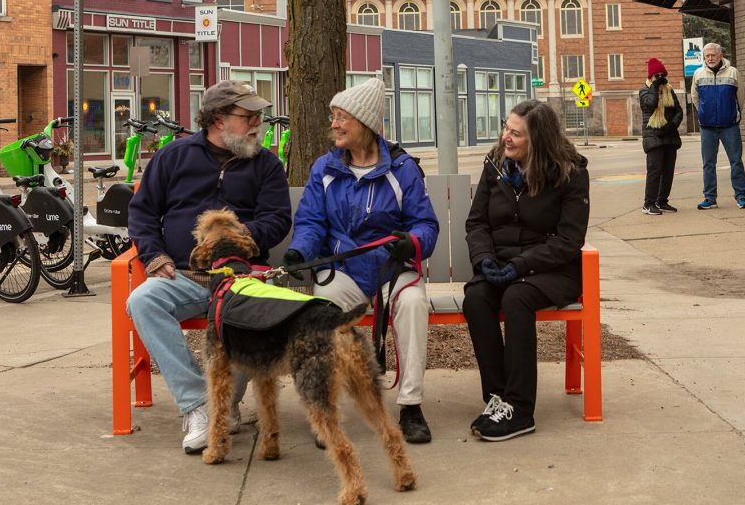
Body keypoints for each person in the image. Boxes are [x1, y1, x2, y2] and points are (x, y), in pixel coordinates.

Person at [127, 80, 292, 454]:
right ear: (219, 119)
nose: (258, 123)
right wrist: (154, 255)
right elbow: (142, 213)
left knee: (255, 315)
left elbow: (278, 220)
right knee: (143, 301)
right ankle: (198, 406)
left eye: (259, 116)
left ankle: (226, 405)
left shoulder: (266, 164)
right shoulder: (173, 157)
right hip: (182, 274)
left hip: (240, 276)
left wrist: (238, 235)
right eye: (249, 116)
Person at [282, 78, 439, 444]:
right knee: (322, 310)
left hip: (391, 267)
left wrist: (412, 243)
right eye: (333, 117)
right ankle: (326, 410)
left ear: (364, 123)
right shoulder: (325, 168)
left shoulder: (402, 168)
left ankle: (411, 406)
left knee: (413, 303)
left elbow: (425, 224)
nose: (334, 125)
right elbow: (311, 222)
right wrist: (300, 251)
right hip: (344, 269)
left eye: (342, 117)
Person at [463, 100, 590, 442]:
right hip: (502, 265)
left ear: (538, 140)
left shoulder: (570, 172)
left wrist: (520, 265)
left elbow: (569, 240)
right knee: (476, 298)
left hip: (553, 270)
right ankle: (498, 397)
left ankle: (520, 410)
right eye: (506, 128)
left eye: (516, 133)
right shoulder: (496, 164)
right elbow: (476, 223)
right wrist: (484, 259)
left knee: (516, 297)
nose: (506, 137)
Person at [691, 43, 745, 210]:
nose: (710, 58)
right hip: (707, 126)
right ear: (704, 57)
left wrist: (733, 113)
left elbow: (741, 96)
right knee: (708, 163)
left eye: (713, 55)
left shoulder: (733, 72)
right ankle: (710, 198)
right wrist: (704, 113)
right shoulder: (698, 73)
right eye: (707, 55)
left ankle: (741, 196)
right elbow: (695, 97)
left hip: (729, 125)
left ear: (720, 55)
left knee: (736, 161)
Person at [639, 58, 683, 215]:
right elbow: (649, 105)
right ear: (650, 77)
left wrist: (672, 125)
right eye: (656, 76)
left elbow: (679, 111)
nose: (660, 78)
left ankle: (662, 201)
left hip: (670, 135)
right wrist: (655, 87)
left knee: (668, 171)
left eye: (662, 75)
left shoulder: (669, 90)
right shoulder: (645, 90)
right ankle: (648, 204)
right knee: (655, 171)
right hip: (653, 136)